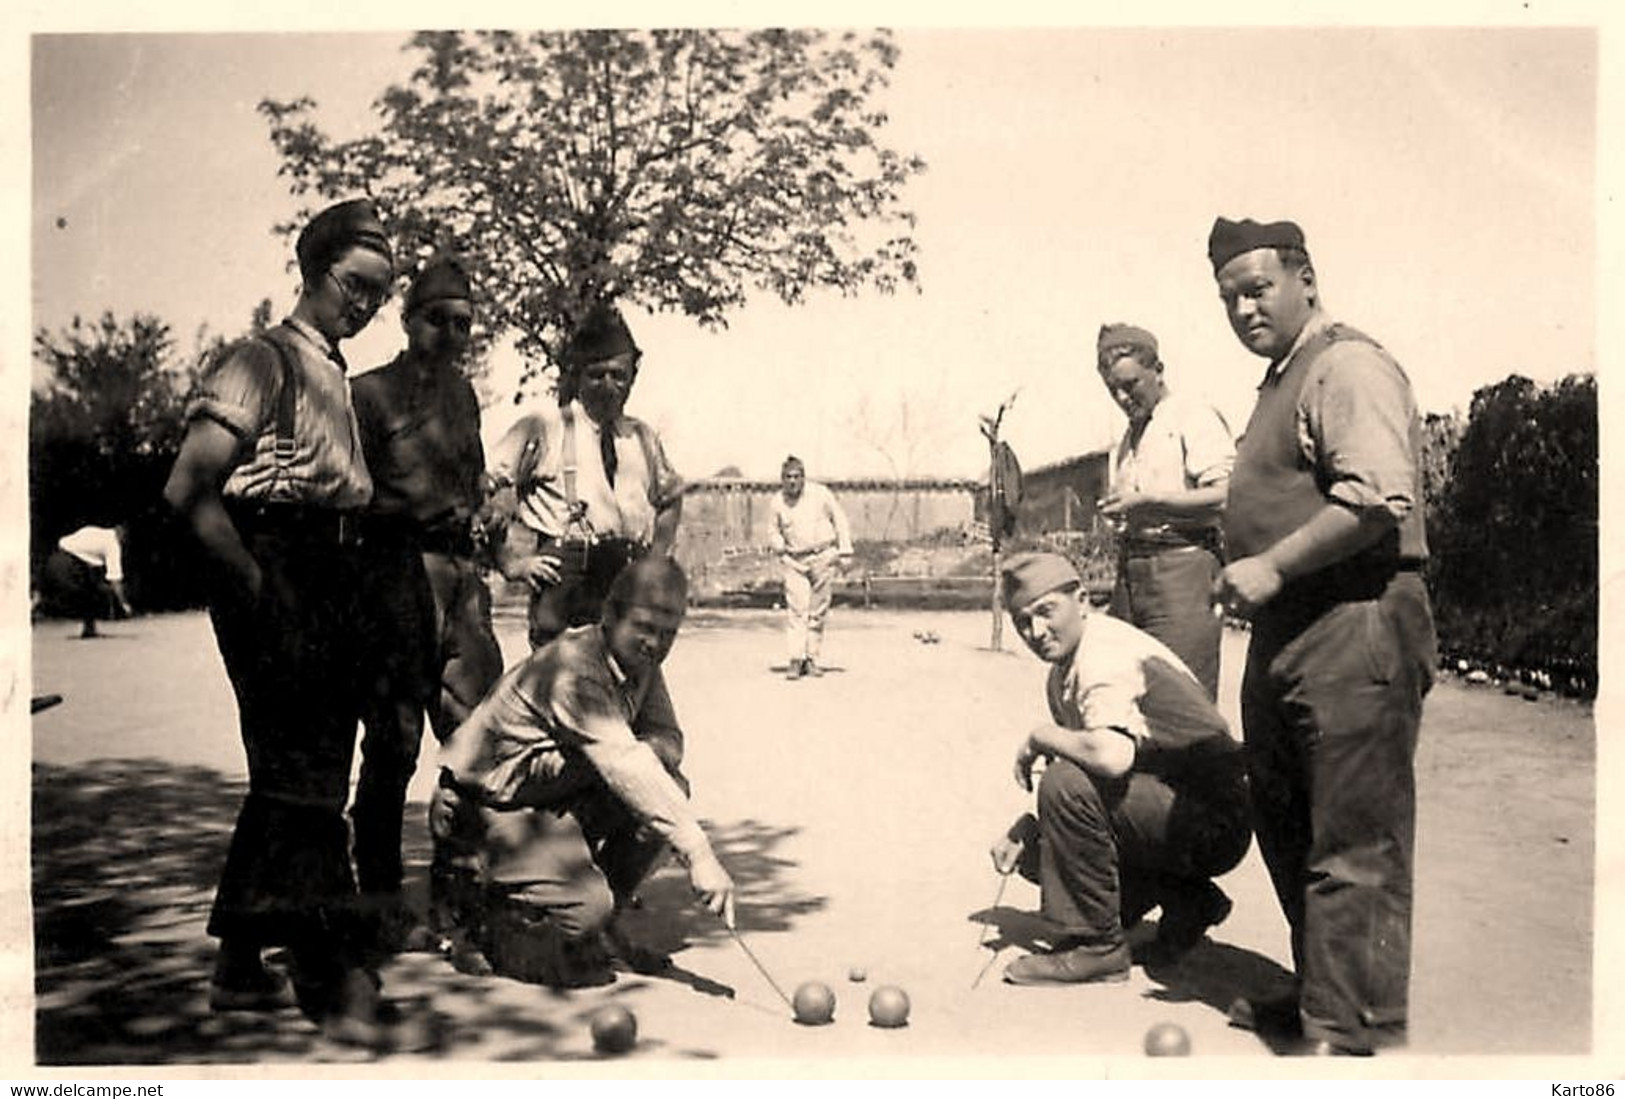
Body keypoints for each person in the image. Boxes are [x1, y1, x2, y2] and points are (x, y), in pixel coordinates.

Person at [163, 199, 431, 1051]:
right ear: (313, 270)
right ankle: (338, 979)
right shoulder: (260, 359)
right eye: (354, 284)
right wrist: (259, 590)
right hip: (278, 569)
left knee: (294, 772)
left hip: (333, 576)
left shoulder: (334, 375)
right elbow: (187, 493)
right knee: (309, 783)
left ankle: (240, 966)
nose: (366, 303)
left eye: (380, 294)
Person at [1207, 217, 1436, 1056]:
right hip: (1290, 628)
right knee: (1288, 820)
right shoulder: (1281, 378)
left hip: (1357, 615)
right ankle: (1321, 994)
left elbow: (1378, 497)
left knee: (1353, 838)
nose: (1240, 308)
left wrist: (1269, 565)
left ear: (1305, 278)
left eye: (1256, 288)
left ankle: (1351, 1035)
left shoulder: (1345, 364)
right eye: (1227, 297)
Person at [430, 556, 736, 987]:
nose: (655, 643)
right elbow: (627, 763)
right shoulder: (576, 667)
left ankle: (603, 928)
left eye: (669, 633)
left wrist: (638, 754)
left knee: (666, 786)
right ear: (610, 614)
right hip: (483, 807)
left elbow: (667, 739)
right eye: (645, 626)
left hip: (546, 801)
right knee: (585, 912)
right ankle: (474, 912)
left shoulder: (639, 664)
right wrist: (699, 852)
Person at [990, 553, 1250, 985]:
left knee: (1064, 786)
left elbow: (1110, 758)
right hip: (1178, 811)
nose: (1035, 632)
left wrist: (1040, 735)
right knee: (1041, 844)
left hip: (1213, 818)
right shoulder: (1065, 669)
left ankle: (1098, 947)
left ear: (1083, 600)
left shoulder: (1102, 655)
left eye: (1046, 612)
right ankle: (1190, 901)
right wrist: (1034, 829)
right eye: (1022, 622)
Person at [350, 257, 505, 962]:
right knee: (391, 745)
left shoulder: (465, 395)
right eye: (437, 318)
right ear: (408, 321)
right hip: (393, 573)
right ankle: (381, 905)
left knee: (479, 739)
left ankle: (456, 905)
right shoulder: (367, 394)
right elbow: (347, 494)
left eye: (464, 322)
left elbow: (468, 482)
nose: (451, 332)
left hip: (460, 579)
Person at [486, 303, 685, 651]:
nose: (609, 386)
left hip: (627, 575)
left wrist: (655, 558)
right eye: (596, 374)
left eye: (618, 375)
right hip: (567, 580)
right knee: (560, 688)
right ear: (576, 375)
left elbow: (670, 498)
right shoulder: (544, 428)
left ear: (633, 376)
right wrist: (510, 563)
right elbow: (482, 487)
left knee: (627, 687)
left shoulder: (642, 437)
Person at [1095, 323, 1234, 699]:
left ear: (1158, 370)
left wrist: (1149, 502)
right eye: (1113, 390)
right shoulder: (1126, 438)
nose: (1123, 398)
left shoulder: (1192, 415)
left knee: (1182, 697)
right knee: (1126, 694)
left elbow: (1225, 496)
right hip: (1133, 571)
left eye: (1131, 385)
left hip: (1183, 568)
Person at [768, 456, 854, 679]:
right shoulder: (777, 502)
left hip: (823, 556)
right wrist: (778, 546)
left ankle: (811, 658)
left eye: (797, 477)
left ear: (804, 477)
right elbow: (773, 530)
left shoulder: (821, 494)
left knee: (817, 611)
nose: (793, 482)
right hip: (795, 560)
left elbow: (840, 520)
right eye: (788, 477)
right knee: (797, 610)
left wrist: (845, 551)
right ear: (782, 479)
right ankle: (796, 659)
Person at [42, 524, 133, 638]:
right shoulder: (112, 544)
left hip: (53, 559)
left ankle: (88, 628)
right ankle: (88, 627)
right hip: (67, 566)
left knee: (89, 587)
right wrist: (123, 603)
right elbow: (115, 579)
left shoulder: (95, 532)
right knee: (92, 591)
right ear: (123, 536)